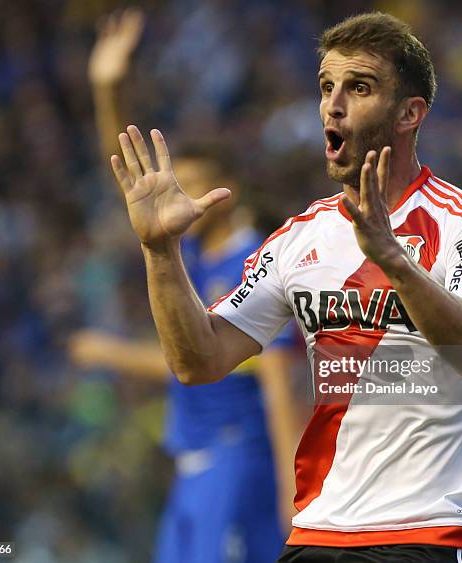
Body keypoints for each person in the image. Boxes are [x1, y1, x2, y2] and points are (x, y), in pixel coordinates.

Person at [110, 11, 462, 563]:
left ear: (409, 113)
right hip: (318, 534)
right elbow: (197, 361)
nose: (334, 103)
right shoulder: (299, 239)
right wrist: (160, 251)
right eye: (327, 87)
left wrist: (394, 261)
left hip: (429, 534)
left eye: (360, 87)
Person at [70, 10, 300, 563]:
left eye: (191, 188)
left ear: (229, 192)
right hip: (194, 464)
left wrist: (293, 482)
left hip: (239, 457)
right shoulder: (192, 252)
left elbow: (279, 372)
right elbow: (134, 183)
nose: (177, 201)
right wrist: (108, 88)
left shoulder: (259, 260)